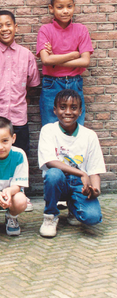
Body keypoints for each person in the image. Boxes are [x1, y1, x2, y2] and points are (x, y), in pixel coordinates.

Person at [0, 10, 40, 212]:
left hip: (18, 117)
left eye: (9, 24)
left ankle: (19, 195)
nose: (5, 29)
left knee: (19, 156)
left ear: (16, 27)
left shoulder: (26, 55)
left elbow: (32, 83)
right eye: (0, 25)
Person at [38, 89, 106, 238]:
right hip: (59, 181)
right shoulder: (48, 130)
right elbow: (50, 162)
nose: (68, 112)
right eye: (63, 107)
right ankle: (50, 216)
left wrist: (95, 190)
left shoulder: (89, 135)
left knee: (92, 217)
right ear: (55, 110)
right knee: (54, 174)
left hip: (79, 185)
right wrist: (81, 173)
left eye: (73, 107)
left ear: (80, 111)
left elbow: (94, 170)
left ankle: (73, 207)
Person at [37, 0, 93, 126]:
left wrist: (55, 59)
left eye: (69, 6)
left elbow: (85, 61)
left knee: (76, 126)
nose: (65, 11)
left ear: (74, 7)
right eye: (60, 7)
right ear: (52, 8)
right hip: (52, 84)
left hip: (74, 83)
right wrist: (73, 55)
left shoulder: (81, 30)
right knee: (50, 126)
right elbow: (45, 59)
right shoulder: (45, 30)